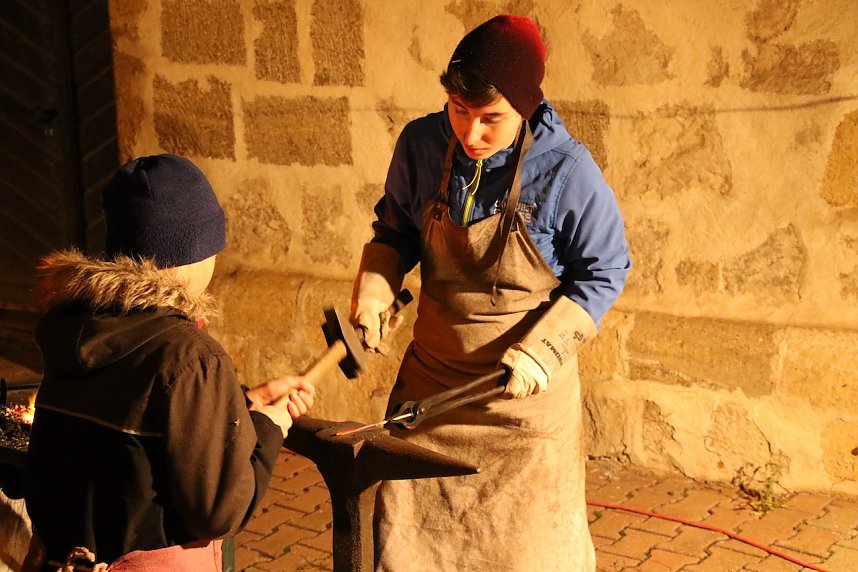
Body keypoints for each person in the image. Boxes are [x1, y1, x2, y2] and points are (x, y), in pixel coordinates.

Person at [350, 15, 630, 571]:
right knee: (411, 550)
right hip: (430, 397)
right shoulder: (421, 144)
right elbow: (395, 232)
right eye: (459, 111)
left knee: (526, 555)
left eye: (490, 119)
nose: (470, 134)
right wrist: (377, 288)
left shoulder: (568, 171)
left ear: (525, 105)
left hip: (520, 409)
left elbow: (604, 272)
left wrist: (543, 349)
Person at [24, 154, 314, 572]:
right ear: (191, 253)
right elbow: (218, 511)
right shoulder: (189, 354)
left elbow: (141, 434)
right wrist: (270, 427)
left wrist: (242, 402)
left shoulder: (74, 327)